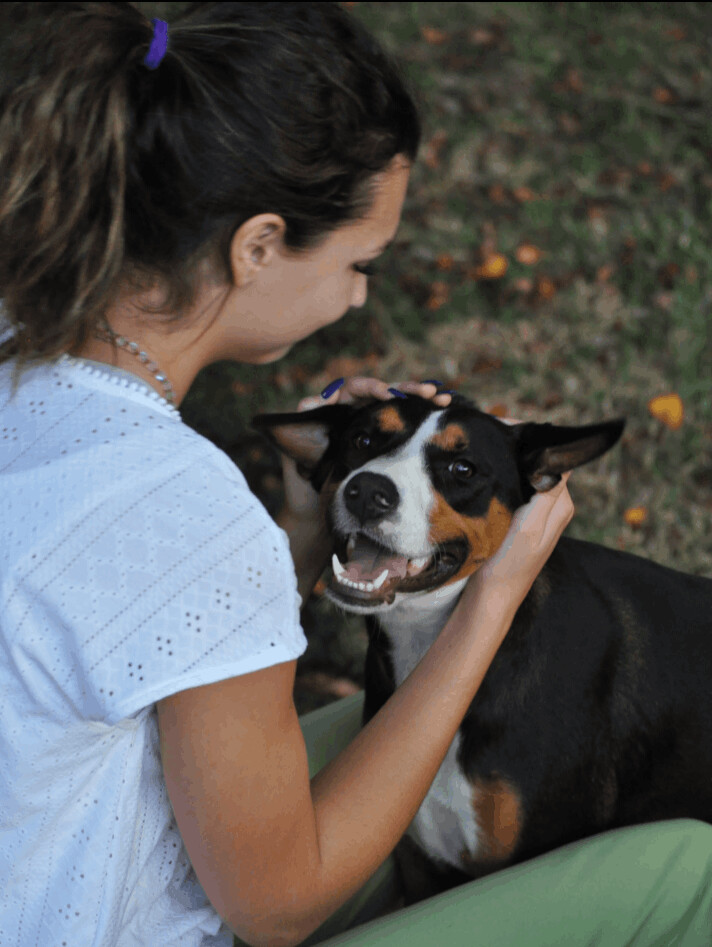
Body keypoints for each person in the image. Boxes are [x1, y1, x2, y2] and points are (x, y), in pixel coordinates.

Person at [0, 3, 710, 946]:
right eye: (359, 262)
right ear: (256, 246)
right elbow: (279, 904)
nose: (361, 294)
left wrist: (298, 539)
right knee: (685, 867)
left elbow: (141, 625)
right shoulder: (188, 510)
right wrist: (497, 591)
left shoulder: (19, 346)